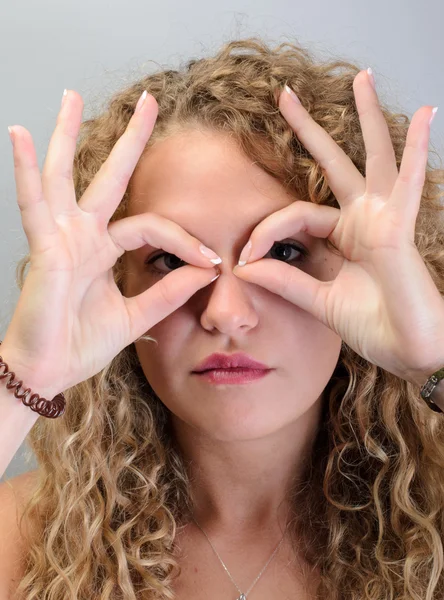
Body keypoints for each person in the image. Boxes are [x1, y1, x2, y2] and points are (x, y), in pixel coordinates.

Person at [0, 36, 444, 600]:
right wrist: (26, 377)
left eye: (284, 251)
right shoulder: (19, 539)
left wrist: (434, 358)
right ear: (116, 285)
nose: (226, 314)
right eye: (169, 260)